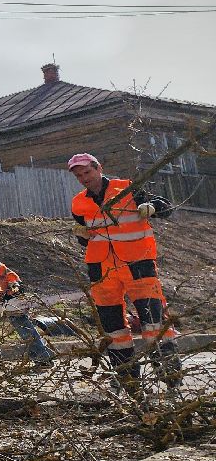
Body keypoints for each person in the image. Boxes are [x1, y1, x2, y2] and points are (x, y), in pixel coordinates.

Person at [67, 152, 178, 388]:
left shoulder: (126, 188)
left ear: (98, 168)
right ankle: (127, 378)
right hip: (101, 270)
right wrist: (81, 235)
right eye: (79, 176)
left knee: (154, 322)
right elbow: (87, 237)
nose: (84, 178)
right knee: (113, 330)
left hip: (138, 264)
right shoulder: (79, 203)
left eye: (87, 172)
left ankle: (169, 375)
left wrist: (152, 207)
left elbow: (166, 206)